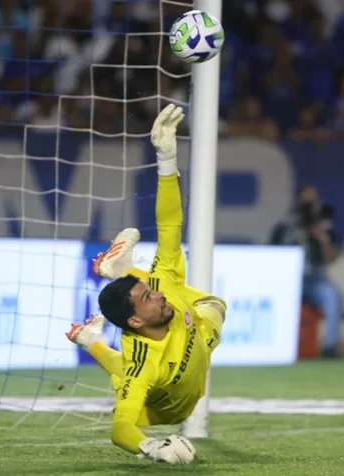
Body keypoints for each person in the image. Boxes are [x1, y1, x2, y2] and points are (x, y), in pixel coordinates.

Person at [66, 104, 226, 465]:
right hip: (163, 412)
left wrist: (166, 159)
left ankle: (121, 274)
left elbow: (169, 223)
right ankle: (93, 334)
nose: (156, 293)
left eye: (148, 289)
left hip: (194, 345)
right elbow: (120, 429)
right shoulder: (141, 365)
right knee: (126, 376)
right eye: (146, 298)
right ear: (136, 321)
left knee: (215, 306)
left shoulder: (163, 287)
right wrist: (151, 447)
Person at [270, 185, 342, 358]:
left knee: (334, 296)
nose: (309, 205)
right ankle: (277, 346)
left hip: (314, 279)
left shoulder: (324, 226)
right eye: (305, 200)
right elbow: (271, 256)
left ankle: (329, 347)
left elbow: (332, 258)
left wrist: (320, 237)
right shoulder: (285, 225)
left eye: (313, 200)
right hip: (287, 279)